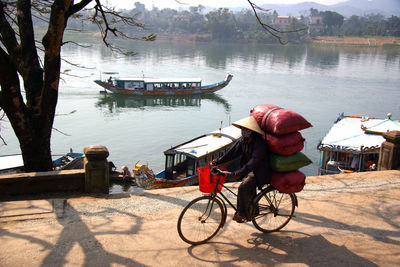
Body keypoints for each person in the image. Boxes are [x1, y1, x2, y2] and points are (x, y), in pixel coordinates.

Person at [212, 116, 270, 223]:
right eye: (242, 129)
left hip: (259, 171)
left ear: (251, 131)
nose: (243, 131)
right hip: (249, 169)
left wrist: (240, 172)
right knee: (248, 190)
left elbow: (255, 161)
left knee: (243, 188)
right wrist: (217, 161)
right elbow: (231, 153)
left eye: (245, 129)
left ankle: (242, 214)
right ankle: (253, 211)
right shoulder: (243, 140)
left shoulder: (259, 143)